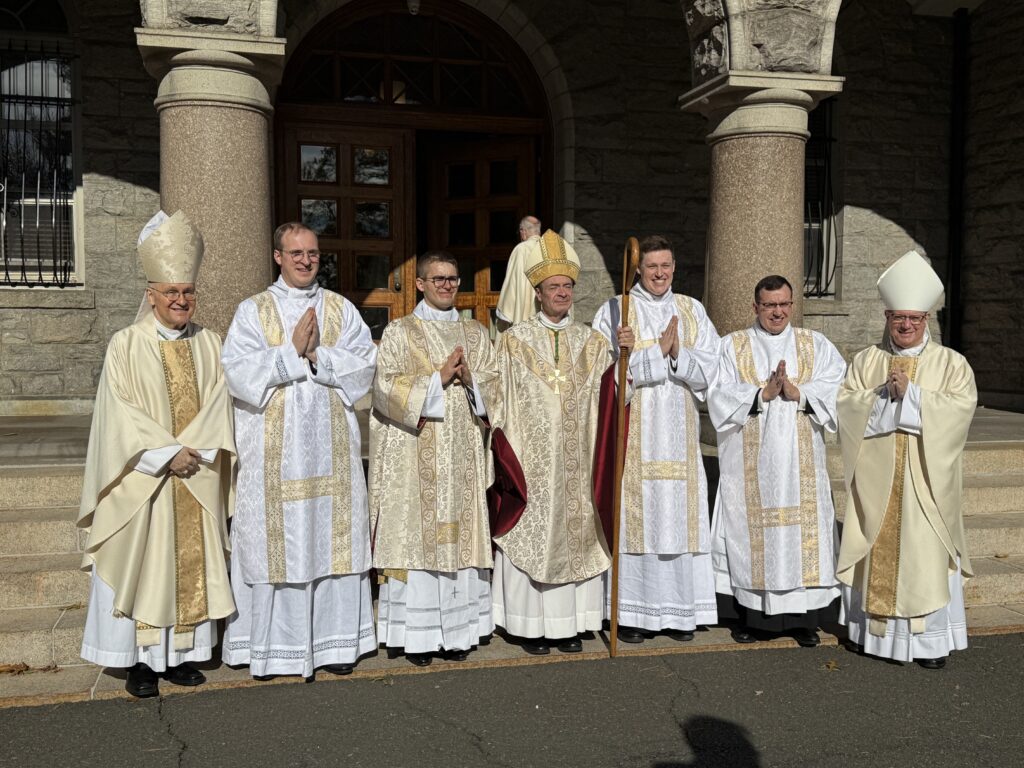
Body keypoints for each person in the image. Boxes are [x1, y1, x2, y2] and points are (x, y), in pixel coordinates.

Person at [78, 210, 235, 698]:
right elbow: (118, 413)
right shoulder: (125, 344)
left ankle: (182, 656)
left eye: (187, 292)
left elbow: (220, 403)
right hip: (144, 477)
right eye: (171, 293)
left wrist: (197, 452)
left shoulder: (211, 342)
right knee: (145, 559)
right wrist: (166, 454)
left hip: (196, 473)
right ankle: (142, 664)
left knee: (187, 561)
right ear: (151, 296)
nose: (181, 300)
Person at [221, 222, 378, 678]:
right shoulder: (252, 312)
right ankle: (273, 650)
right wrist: (291, 352)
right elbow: (236, 372)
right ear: (277, 256)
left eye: (312, 253)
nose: (306, 260)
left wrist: (317, 357)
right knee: (277, 543)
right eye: (296, 253)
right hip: (274, 454)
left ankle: (335, 646)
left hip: (331, 453)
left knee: (332, 543)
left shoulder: (341, 309)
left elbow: (365, 365)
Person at [837, 250, 977, 669]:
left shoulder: (951, 363)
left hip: (925, 484)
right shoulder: (867, 361)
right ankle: (873, 638)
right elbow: (847, 406)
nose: (905, 326)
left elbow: (960, 410)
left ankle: (930, 645)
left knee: (925, 556)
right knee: (878, 546)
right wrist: (883, 396)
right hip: (879, 482)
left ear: (926, 320)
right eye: (898, 318)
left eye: (914, 319)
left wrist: (911, 396)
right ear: (886, 316)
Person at [370, 251, 501, 667]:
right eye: (437, 278)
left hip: (462, 452)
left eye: (452, 278)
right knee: (416, 536)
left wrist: (471, 380)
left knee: (460, 537)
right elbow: (384, 386)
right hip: (415, 453)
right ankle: (416, 637)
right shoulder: (399, 332)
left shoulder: (477, 333)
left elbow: (498, 390)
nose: (446, 285)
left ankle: (460, 632)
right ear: (420, 284)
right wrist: (437, 379)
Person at [592, 235, 720, 644]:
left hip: (680, 433)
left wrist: (677, 352)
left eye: (666, 266)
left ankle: (681, 613)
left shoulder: (692, 310)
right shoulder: (615, 310)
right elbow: (601, 380)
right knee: (637, 520)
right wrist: (638, 356)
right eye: (652, 267)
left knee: (679, 521)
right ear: (637, 270)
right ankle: (631, 614)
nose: (660, 274)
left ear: (674, 267)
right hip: (635, 436)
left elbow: (713, 373)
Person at [491, 229, 612, 655]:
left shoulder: (594, 343)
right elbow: (496, 396)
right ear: (537, 293)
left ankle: (572, 624)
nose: (561, 293)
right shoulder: (512, 340)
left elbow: (614, 400)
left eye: (567, 286)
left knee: (578, 532)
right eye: (553, 287)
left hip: (580, 458)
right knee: (534, 531)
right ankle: (528, 625)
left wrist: (626, 364)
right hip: (532, 458)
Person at [708, 275, 845, 647]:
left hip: (801, 466)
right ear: (755, 307)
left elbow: (838, 386)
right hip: (751, 465)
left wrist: (799, 392)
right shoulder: (732, 346)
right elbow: (717, 394)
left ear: (792, 305)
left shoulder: (815, 344)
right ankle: (750, 619)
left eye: (784, 304)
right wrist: (760, 393)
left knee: (799, 540)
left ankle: (802, 621)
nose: (778, 312)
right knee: (750, 538)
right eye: (769, 305)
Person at [495, 215, 542, 329]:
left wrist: (505, 310)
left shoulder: (521, 249)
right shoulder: (548, 248)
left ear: (523, 231)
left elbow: (512, 283)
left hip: (524, 312)